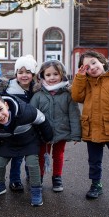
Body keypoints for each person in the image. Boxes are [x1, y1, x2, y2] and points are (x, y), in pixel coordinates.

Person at [0, 93, 53, 206]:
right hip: (9, 143)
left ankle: (36, 191)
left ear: (6, 105)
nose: (0, 116)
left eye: (1, 109)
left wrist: (48, 137)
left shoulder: (25, 112)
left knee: (32, 163)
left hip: (29, 141)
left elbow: (42, 119)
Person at [71, 50, 109, 199]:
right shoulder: (86, 82)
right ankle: (96, 184)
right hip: (91, 128)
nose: (92, 67)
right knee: (94, 161)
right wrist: (80, 77)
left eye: (94, 62)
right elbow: (77, 96)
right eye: (87, 67)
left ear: (102, 61)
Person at [30, 60, 81, 192]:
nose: (52, 78)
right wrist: (32, 133)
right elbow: (31, 114)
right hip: (42, 133)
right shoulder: (38, 95)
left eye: (55, 74)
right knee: (41, 155)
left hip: (61, 132)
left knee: (58, 155)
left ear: (62, 75)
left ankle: (57, 177)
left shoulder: (67, 95)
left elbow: (74, 114)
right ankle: (39, 177)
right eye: (48, 75)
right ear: (42, 76)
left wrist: (76, 134)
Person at [5, 54, 39, 192]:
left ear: (33, 74)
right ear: (16, 74)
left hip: (33, 128)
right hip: (17, 129)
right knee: (17, 156)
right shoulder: (10, 90)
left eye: (28, 72)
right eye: (20, 72)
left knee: (31, 155)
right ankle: (15, 180)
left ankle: (31, 175)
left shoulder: (36, 89)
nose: (24, 75)